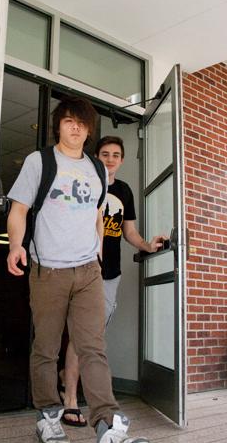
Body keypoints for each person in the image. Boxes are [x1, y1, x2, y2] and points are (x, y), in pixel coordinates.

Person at [6, 97, 151, 443]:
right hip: (48, 270)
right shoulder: (40, 162)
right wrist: (15, 246)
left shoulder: (99, 171)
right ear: (59, 126)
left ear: (89, 131)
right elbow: (20, 208)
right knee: (48, 347)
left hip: (87, 270)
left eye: (82, 124)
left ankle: (107, 428)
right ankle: (49, 417)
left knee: (93, 346)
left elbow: (98, 216)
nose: (76, 128)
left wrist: (99, 257)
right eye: (69, 121)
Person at [59, 135, 166, 427]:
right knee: (83, 335)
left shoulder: (124, 191)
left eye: (115, 155)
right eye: (104, 154)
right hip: (79, 267)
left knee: (92, 336)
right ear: (95, 156)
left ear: (121, 159)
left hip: (109, 274)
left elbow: (129, 232)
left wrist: (146, 245)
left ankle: (72, 387)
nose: (109, 159)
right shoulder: (83, 181)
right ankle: (70, 398)